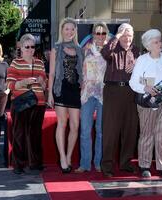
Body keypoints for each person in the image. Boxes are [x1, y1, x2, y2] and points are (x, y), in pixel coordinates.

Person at [129, 29, 162, 178]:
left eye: (160, 41)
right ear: (148, 46)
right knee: (147, 133)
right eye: (156, 42)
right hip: (148, 102)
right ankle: (144, 165)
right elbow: (133, 82)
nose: (160, 44)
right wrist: (146, 88)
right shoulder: (142, 60)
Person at [100, 23, 139, 177]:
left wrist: (136, 64)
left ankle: (126, 163)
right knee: (111, 130)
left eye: (130, 34)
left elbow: (143, 67)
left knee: (130, 129)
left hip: (131, 91)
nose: (127, 37)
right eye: (124, 33)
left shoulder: (136, 51)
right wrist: (115, 37)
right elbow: (104, 53)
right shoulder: (112, 47)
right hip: (113, 90)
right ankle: (107, 166)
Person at [6, 33, 47, 174]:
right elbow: (10, 84)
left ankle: (35, 162)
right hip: (21, 102)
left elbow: (44, 85)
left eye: (32, 47)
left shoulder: (40, 63)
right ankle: (19, 164)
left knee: (35, 134)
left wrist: (42, 83)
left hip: (39, 103)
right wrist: (23, 82)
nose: (30, 49)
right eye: (27, 47)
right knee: (19, 134)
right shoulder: (15, 63)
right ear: (21, 48)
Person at [48, 18, 83, 173]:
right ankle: (62, 157)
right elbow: (52, 73)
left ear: (75, 31)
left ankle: (69, 156)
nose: (69, 31)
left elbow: (82, 72)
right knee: (62, 123)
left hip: (76, 91)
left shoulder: (79, 49)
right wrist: (50, 94)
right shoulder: (56, 48)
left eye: (72, 29)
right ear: (62, 30)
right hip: (60, 90)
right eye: (66, 29)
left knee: (75, 125)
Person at [75, 22, 109, 173]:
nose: (100, 36)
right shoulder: (85, 50)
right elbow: (78, 69)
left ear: (106, 34)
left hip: (104, 94)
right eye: (97, 33)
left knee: (101, 131)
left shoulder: (111, 50)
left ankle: (99, 162)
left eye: (103, 33)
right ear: (93, 34)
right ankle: (85, 164)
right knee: (85, 130)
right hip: (88, 93)